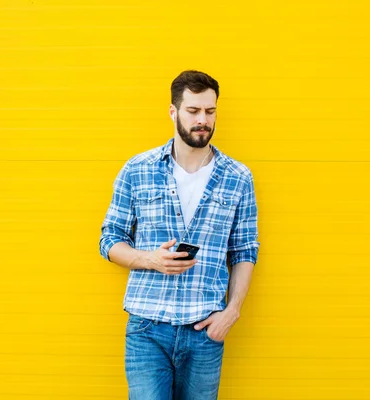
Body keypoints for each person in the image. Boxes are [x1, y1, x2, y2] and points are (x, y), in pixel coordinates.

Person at [99, 70, 260, 399]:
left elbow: (244, 251)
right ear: (173, 111)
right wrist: (150, 259)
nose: (203, 120)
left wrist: (232, 311)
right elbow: (109, 240)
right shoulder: (138, 169)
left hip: (205, 330)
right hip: (147, 328)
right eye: (194, 111)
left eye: (210, 112)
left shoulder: (238, 176)